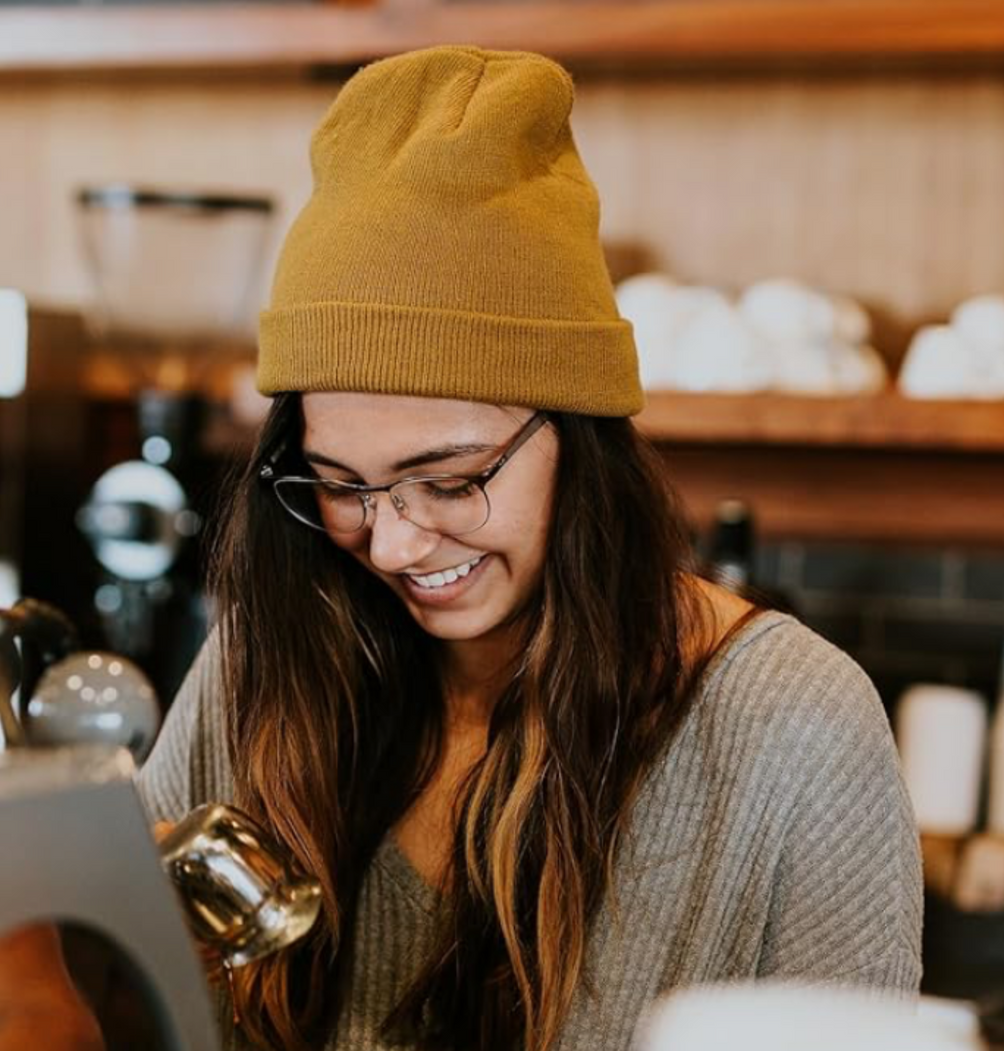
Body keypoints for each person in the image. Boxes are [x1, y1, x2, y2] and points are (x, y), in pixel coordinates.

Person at [134, 43, 922, 1051]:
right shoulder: (268, 660)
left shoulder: (790, 729)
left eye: (452, 478)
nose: (394, 540)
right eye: (340, 485)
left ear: (576, 436)